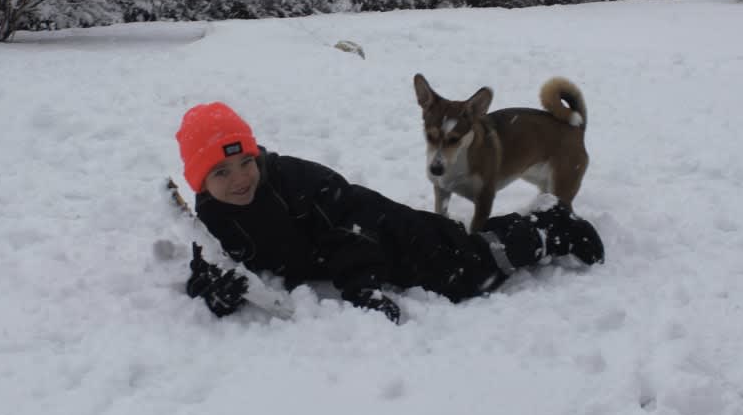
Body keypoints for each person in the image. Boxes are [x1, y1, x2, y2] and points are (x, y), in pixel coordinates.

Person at [175, 102, 604, 323]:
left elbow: (346, 233)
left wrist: (362, 291)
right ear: (200, 182)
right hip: (360, 246)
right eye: (221, 171)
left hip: (383, 229)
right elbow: (208, 266)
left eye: (245, 162)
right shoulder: (212, 215)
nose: (239, 179)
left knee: (470, 272)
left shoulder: (295, 184)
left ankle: (550, 227)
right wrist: (214, 291)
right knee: (464, 260)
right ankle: (522, 228)